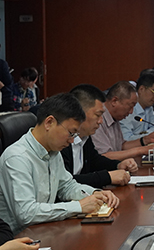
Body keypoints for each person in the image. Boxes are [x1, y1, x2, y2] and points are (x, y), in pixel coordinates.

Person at [0, 93, 119, 234]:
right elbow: (26, 214)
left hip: (45, 230)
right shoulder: (16, 158)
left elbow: (66, 186)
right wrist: (79, 206)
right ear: (49, 123)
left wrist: (95, 194)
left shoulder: (53, 152)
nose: (72, 141)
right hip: (19, 238)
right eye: (71, 133)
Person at [61, 84, 137, 187]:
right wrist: (107, 177)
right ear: (79, 113)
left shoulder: (85, 137)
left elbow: (95, 161)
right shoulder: (61, 141)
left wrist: (118, 165)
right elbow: (65, 182)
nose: (101, 121)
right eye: (98, 115)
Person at [92, 81, 154, 161]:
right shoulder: (97, 119)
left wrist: (146, 140)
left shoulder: (115, 117)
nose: (131, 112)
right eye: (131, 106)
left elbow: (122, 146)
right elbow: (104, 157)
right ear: (114, 101)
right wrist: (141, 150)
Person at [120, 70, 154, 141]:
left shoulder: (149, 107)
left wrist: (145, 135)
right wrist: (150, 136)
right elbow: (127, 140)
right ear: (141, 89)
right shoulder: (128, 109)